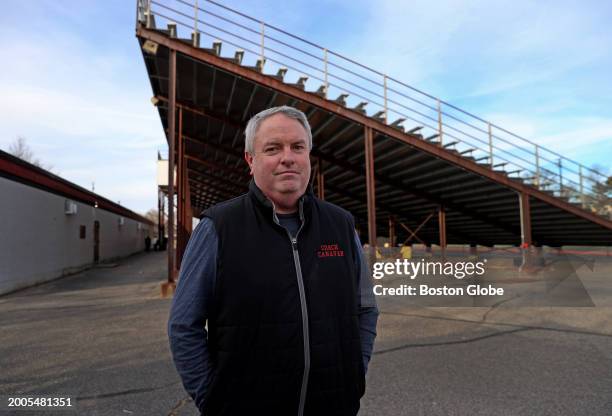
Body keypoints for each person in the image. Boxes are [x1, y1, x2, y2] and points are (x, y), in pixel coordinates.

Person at [168, 106, 379, 416]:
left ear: (308, 155)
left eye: (298, 147)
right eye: (273, 148)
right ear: (250, 160)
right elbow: (184, 326)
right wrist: (214, 401)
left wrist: (353, 377)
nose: (288, 157)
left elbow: (366, 308)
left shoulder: (341, 225)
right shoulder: (219, 228)